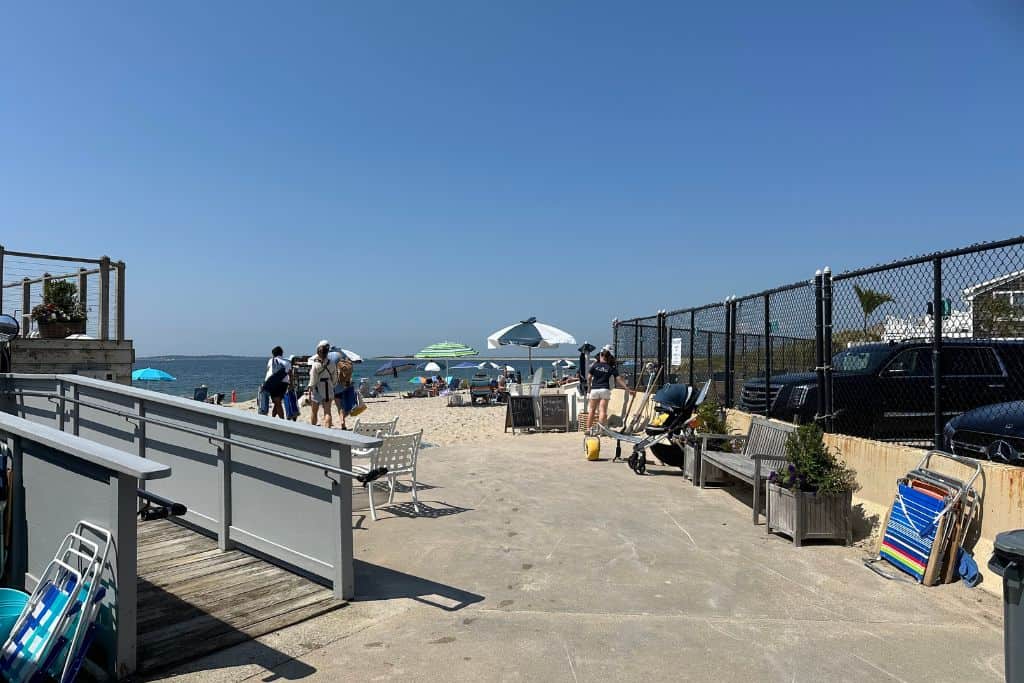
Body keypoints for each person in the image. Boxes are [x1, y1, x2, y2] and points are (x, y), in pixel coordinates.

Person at [587, 348, 630, 431]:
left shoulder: (595, 365)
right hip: (605, 389)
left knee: (592, 410)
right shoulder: (610, 367)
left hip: (594, 389)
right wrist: (626, 388)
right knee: (602, 410)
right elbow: (618, 379)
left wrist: (589, 387)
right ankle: (600, 430)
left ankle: (588, 429)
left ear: (601, 356)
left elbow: (589, 377)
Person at [307, 340, 334, 427]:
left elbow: (312, 380)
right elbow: (335, 379)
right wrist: (331, 384)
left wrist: (310, 390)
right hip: (328, 388)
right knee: (327, 412)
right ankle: (328, 430)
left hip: (317, 389)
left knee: (314, 411)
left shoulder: (315, 364)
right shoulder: (332, 363)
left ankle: (313, 429)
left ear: (318, 352)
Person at [262, 346, 291, 419]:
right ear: (282, 353)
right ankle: (273, 417)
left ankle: (282, 420)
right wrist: (291, 385)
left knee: (277, 403)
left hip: (274, 383)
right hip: (284, 384)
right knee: (277, 402)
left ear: (273, 354)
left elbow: (269, 371)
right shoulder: (287, 362)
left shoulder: (271, 361)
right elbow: (290, 374)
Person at [331, 350, 356, 430]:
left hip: (329, 386)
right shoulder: (343, 363)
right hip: (339, 386)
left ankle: (329, 421)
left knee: (326, 406)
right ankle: (342, 422)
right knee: (340, 407)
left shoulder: (328, 360)